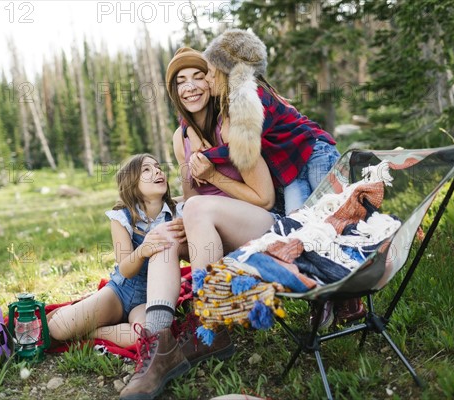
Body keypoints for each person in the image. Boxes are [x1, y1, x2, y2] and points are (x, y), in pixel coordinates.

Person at [120, 48, 278, 400]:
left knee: (196, 210)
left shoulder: (234, 123)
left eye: (197, 76)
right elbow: (193, 199)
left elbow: (265, 197)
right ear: (174, 92)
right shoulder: (182, 137)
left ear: (210, 81)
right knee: (164, 237)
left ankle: (210, 319)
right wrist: (182, 216)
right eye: (180, 81)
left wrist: (213, 180)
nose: (190, 86)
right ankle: (159, 344)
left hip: (262, 228)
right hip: (215, 234)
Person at [197, 28, 363, 331]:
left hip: (314, 154)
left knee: (329, 222)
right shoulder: (245, 95)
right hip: (292, 170)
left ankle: (349, 296)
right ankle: (326, 292)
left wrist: (208, 158)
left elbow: (243, 147)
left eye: (209, 73)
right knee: (298, 232)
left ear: (227, 70)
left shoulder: (246, 95)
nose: (206, 80)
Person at [48, 154, 189, 360]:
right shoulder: (122, 217)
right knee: (58, 329)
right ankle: (78, 316)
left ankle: (92, 333)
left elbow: (193, 199)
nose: (158, 171)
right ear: (132, 184)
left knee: (146, 335)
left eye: (158, 167)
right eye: (146, 170)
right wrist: (143, 250)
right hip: (120, 292)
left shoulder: (178, 213)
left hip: (151, 298)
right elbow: (125, 269)